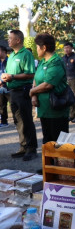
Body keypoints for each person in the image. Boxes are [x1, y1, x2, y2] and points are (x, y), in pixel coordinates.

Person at [1, 30, 38, 161]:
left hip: (23, 90)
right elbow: (9, 74)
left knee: (26, 119)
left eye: (10, 38)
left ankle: (31, 148)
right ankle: (23, 146)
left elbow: (30, 74)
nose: (8, 41)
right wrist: (4, 80)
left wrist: (12, 77)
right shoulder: (11, 56)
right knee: (18, 121)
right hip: (13, 92)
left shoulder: (26, 54)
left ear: (18, 40)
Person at [29, 33, 69, 144]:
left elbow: (48, 84)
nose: (36, 49)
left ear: (44, 47)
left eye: (37, 46)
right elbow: (36, 78)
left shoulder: (56, 62)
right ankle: (49, 161)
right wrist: (34, 95)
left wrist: (32, 91)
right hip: (44, 109)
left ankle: (58, 162)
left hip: (56, 110)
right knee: (47, 142)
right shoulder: (43, 61)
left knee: (59, 144)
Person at [62, 42, 75, 123]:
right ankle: (71, 115)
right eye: (65, 48)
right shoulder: (63, 58)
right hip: (66, 80)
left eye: (68, 48)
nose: (66, 49)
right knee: (69, 98)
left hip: (74, 79)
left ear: (71, 48)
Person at [0, 46, 10, 128]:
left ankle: (18, 121)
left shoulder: (10, 61)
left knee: (14, 105)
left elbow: (11, 73)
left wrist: (2, 81)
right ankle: (4, 122)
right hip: (1, 88)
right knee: (2, 105)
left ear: (4, 52)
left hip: (9, 87)